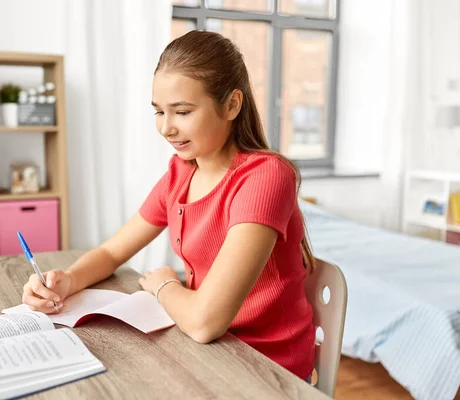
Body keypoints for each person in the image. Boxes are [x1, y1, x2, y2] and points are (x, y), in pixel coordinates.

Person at [22, 30, 316, 381]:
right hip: (207, 349)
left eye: (182, 111)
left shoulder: (266, 178)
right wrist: (66, 281)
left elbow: (206, 322)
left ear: (232, 105)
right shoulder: (181, 173)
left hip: (266, 369)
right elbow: (113, 252)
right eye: (159, 111)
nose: (165, 128)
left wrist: (164, 285)